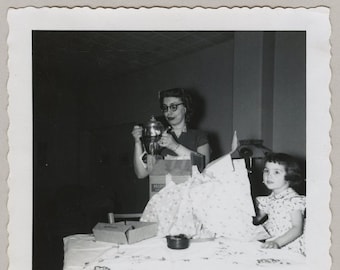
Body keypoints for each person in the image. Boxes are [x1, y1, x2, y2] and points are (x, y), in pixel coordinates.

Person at [131, 88, 211, 179]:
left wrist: (174, 146)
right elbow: (141, 173)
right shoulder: (157, 137)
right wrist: (138, 142)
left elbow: (204, 166)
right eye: (165, 108)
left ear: (185, 109)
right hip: (163, 192)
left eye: (173, 107)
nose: (168, 112)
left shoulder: (199, 136)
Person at [253, 153, 306, 255]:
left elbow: (297, 228)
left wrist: (277, 242)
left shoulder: (293, 200)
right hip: (271, 241)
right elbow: (256, 219)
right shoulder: (269, 199)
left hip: (288, 244)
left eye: (276, 172)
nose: (269, 175)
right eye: (266, 170)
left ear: (289, 176)